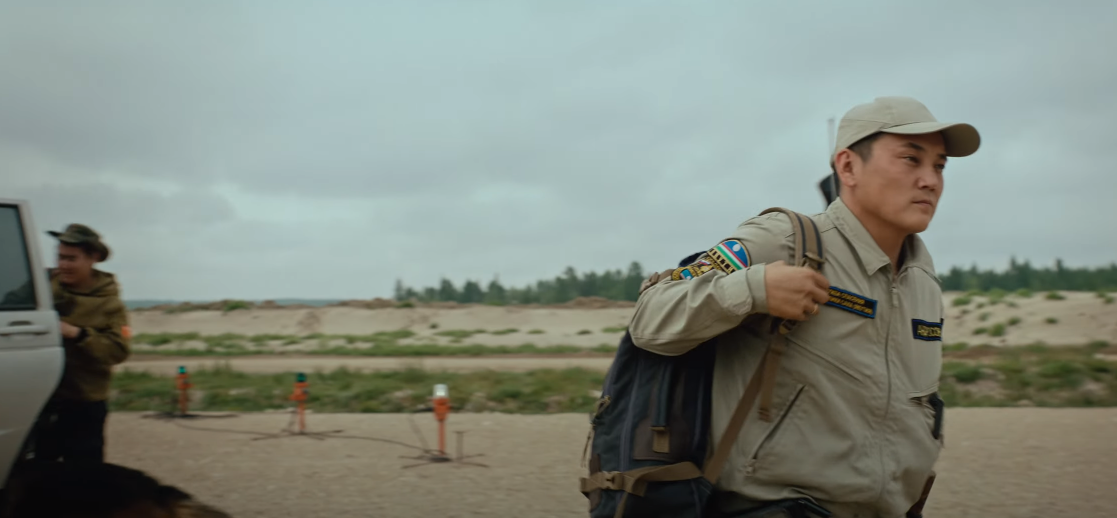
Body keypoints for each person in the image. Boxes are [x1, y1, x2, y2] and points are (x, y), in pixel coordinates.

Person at [628, 96, 980, 518]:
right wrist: (753, 287)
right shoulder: (785, 241)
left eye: (939, 166)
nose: (930, 181)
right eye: (911, 159)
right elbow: (650, 317)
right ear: (848, 167)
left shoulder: (923, 279)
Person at [29, 223, 131, 464]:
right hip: (42, 398)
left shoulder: (109, 303)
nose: (63, 265)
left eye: (71, 259)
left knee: (84, 475)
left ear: (93, 258)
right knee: (35, 474)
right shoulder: (43, 285)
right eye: (60, 257)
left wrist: (78, 334)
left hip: (83, 403)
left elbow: (118, 350)